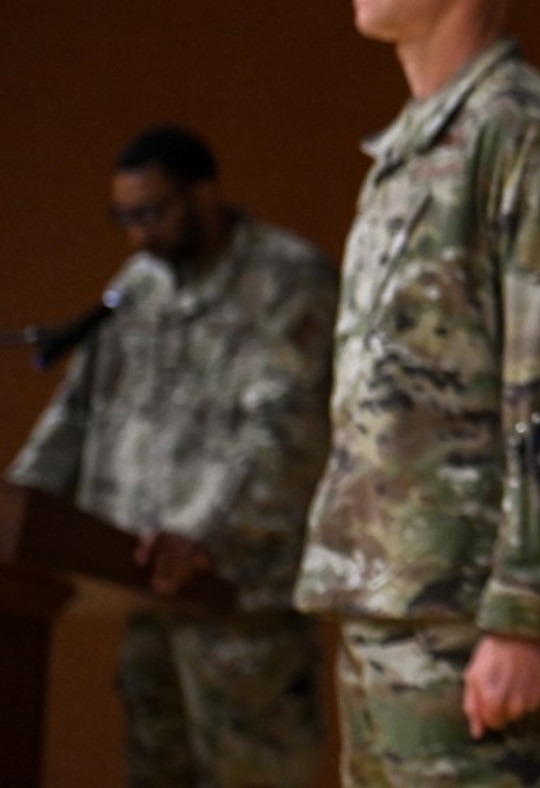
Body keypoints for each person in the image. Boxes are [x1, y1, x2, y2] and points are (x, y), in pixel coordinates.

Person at [295, 0, 540, 786]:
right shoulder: (405, 150)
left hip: (475, 620)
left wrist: (528, 613)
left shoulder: (531, 136)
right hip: (389, 603)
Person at [8, 124, 335, 787]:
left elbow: (288, 432)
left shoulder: (287, 279)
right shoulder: (139, 284)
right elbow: (76, 412)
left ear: (205, 195)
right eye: (124, 217)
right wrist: (14, 505)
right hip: (145, 596)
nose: (137, 234)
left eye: (152, 213)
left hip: (242, 606)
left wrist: (203, 536)